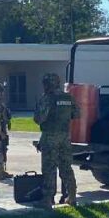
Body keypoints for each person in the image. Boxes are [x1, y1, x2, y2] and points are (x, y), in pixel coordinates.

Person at [33, 73, 79, 208]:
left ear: (47, 84)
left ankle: (47, 199)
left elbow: (39, 119)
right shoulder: (68, 97)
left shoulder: (47, 98)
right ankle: (72, 196)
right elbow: (77, 114)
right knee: (66, 166)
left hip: (50, 137)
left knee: (49, 168)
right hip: (65, 137)